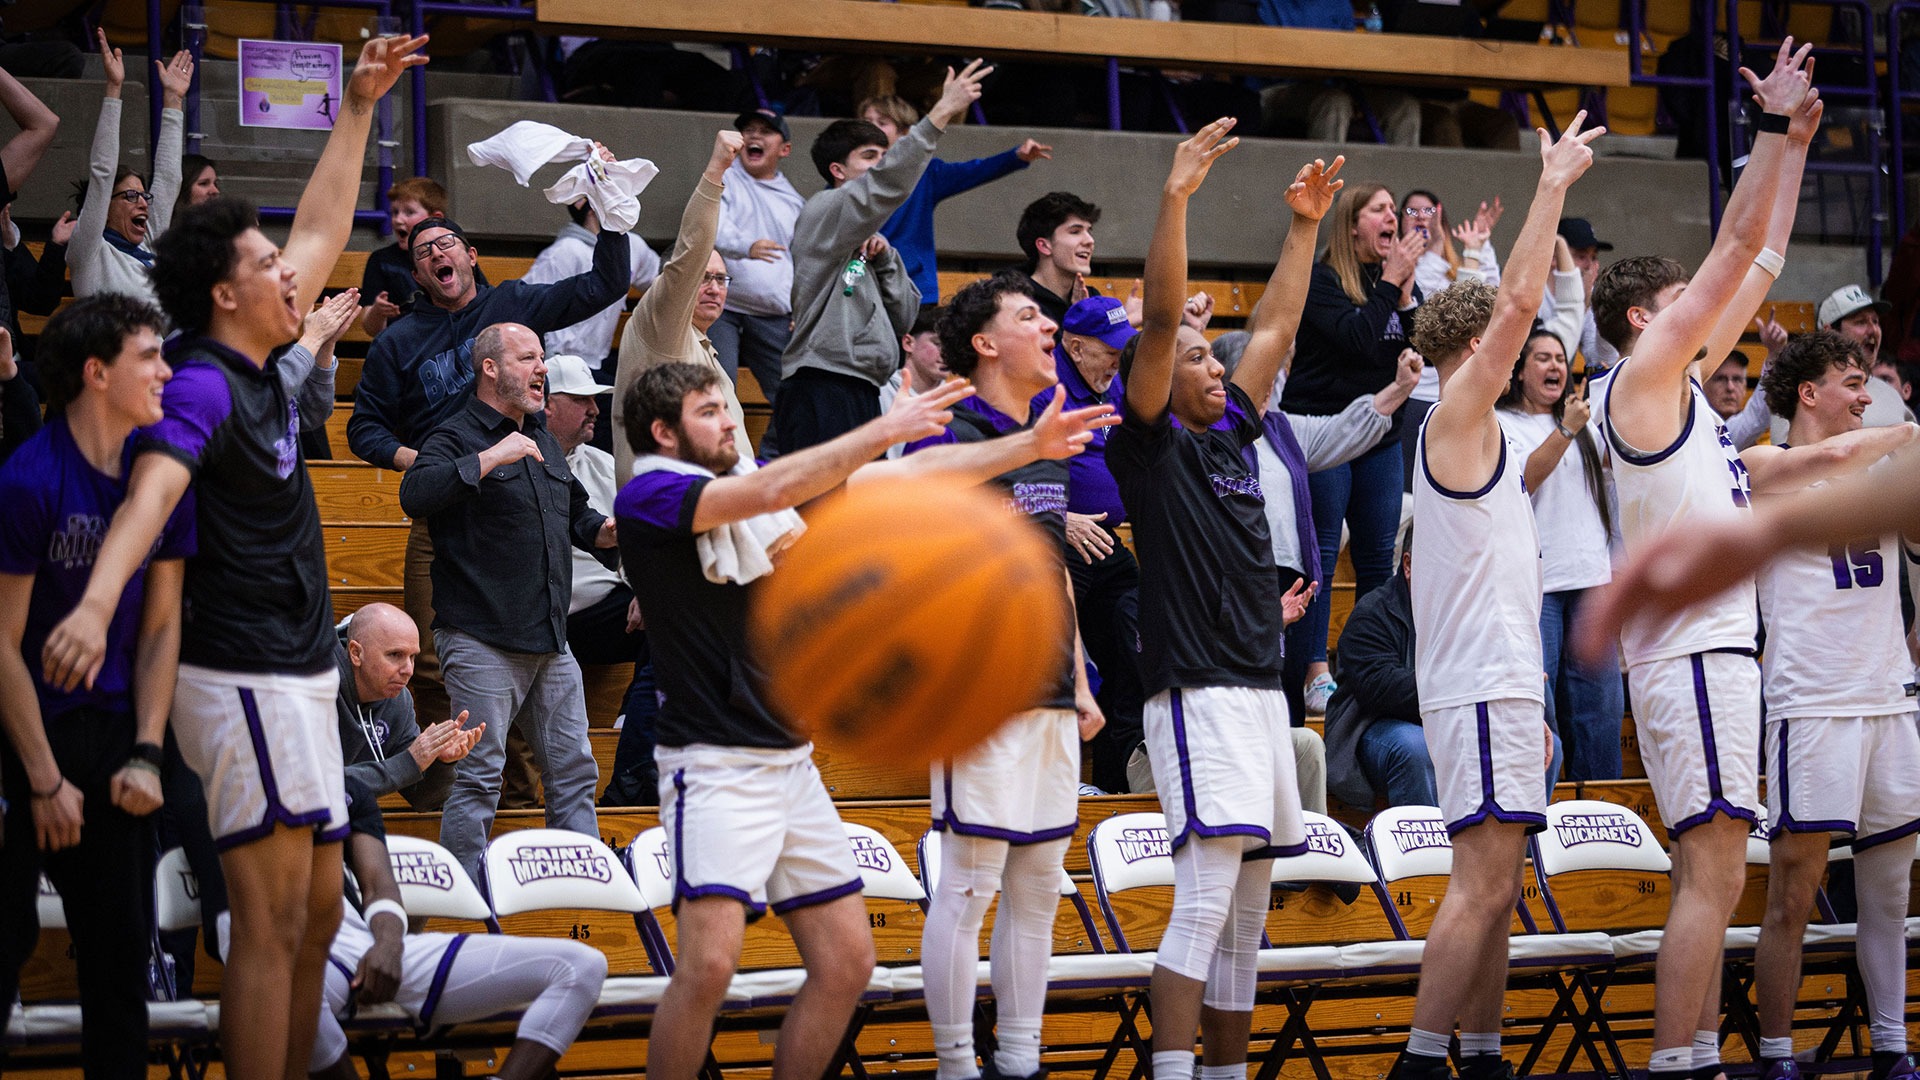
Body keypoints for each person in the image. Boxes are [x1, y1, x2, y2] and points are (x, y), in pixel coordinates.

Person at [36, 35, 428, 1080]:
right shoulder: (204, 382)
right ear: (222, 294)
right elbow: (155, 493)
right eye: (265, 267)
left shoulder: (267, 358)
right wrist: (95, 602)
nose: (292, 271)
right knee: (264, 927)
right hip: (240, 666)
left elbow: (322, 223)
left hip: (298, 664)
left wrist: (357, 109)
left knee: (308, 921)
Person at [616, 361, 1111, 1080]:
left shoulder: (762, 505)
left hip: (791, 761)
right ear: (664, 432)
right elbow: (776, 485)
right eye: (708, 411)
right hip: (714, 764)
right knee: (711, 966)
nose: (729, 420)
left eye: (729, 407)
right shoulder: (650, 494)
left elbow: (909, 477)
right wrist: (882, 429)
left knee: (848, 963)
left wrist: (1028, 446)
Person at [1587, 42, 1819, 1080]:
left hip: (1709, 654)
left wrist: (1797, 145)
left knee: (1718, 874)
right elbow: (1731, 253)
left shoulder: (1680, 395)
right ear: (1644, 318)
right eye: (1680, 303)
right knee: (1712, 873)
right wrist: (1765, 134)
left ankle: (1686, 1058)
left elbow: (1760, 260)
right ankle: (1681, 1062)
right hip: (1688, 654)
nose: (1703, 313)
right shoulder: (1640, 383)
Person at [1104, 118, 1334, 1080]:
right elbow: (1161, 321)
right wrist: (1176, 195)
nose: (1211, 363)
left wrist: (1304, 228)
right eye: (1198, 359)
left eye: (1212, 357)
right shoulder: (1149, 447)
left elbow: (1276, 330)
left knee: (1247, 918)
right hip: (1195, 692)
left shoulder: (1235, 437)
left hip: (1258, 689)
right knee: (1203, 903)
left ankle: (1228, 1074)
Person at [1395, 113, 1600, 1080]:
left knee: (1499, 885)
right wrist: (1550, 183)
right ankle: (1421, 1060)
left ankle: (1482, 1054)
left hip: (1504, 680)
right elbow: (1520, 297)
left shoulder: (1496, 442)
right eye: (1504, 340)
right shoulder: (1456, 418)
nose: (1522, 350)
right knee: (1479, 887)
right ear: (1479, 344)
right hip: (1479, 682)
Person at [901, 271, 1103, 1080]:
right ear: (985, 343)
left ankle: (1021, 1061)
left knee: (1040, 885)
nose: (1048, 327)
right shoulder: (944, 429)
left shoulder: (1042, 433)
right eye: (1030, 317)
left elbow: (1050, 565)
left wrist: (1082, 674)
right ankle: (956, 1066)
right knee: (968, 884)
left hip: (1050, 688)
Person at [349, 173, 632, 725]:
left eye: (445, 243)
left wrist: (608, 207)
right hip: (443, 509)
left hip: (520, 505)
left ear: (470, 254)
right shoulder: (397, 342)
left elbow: (607, 283)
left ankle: (519, 798)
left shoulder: (513, 303)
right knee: (427, 663)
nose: (435, 253)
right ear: (417, 274)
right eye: (423, 251)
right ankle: (449, 784)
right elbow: (364, 428)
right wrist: (419, 461)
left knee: (526, 651)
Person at [0, 294, 188, 1080]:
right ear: (95, 372)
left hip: (119, 739)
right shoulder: (28, 478)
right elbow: (1, 645)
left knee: (119, 983)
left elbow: (160, 628)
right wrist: (43, 780)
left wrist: (147, 751)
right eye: (150, 356)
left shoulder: (162, 474)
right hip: (24, 740)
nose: (167, 372)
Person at [1741, 333, 1920, 1080]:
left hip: (1888, 698)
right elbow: (1831, 461)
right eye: (1852, 383)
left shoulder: (1880, 468)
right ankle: (1777, 1056)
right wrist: (1903, 432)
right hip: (1812, 702)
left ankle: (1891, 1047)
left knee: (1889, 893)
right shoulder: (1760, 466)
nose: (1865, 396)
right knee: (1793, 892)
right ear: (1807, 394)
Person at [397, 322, 617, 885]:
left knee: (573, 770)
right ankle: (462, 899)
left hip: (549, 639)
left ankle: (583, 894)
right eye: (528, 357)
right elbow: (414, 494)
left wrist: (611, 531)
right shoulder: (454, 434)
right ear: (490, 368)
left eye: (542, 357)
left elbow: (577, 516)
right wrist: (491, 456)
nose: (541, 367)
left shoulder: (543, 439)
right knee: (478, 777)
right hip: (480, 639)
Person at [300, 778, 608, 1080]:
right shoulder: (253, 792)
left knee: (581, 966)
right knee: (293, 989)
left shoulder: (344, 788)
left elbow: (379, 885)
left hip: (365, 941)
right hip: (296, 954)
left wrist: (388, 944)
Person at [774, 60, 993, 455]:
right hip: (822, 384)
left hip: (862, 385)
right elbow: (886, 183)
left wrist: (887, 260)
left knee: (858, 505)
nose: (881, 163)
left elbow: (905, 315)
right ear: (838, 170)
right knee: (824, 508)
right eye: (871, 156)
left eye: (883, 155)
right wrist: (940, 113)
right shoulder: (824, 209)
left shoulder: (863, 240)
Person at [1281, 180, 1423, 714]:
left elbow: (1418, 344)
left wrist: (1406, 298)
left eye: (1396, 208)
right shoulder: (1321, 281)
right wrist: (1390, 285)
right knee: (1319, 553)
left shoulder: (1392, 282)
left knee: (1376, 555)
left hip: (1382, 437)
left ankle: (1370, 664)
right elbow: (1356, 339)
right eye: (1382, 209)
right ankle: (1316, 667)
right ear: (1353, 223)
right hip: (1323, 433)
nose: (1395, 217)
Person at [1496, 328, 1624, 781]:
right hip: (1541, 585)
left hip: (1592, 577)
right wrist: (1568, 428)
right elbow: (1523, 480)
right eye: (1543, 358)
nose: (1554, 367)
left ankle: (1607, 811)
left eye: (1559, 359)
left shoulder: (1584, 424)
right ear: (1519, 370)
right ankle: (1539, 813)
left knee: (1602, 709)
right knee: (1540, 705)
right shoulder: (1502, 424)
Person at [1032, 296, 1142, 792]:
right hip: (1052, 539)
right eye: (1110, 352)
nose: (1117, 363)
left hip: (1105, 541)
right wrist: (1062, 518)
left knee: (1136, 640)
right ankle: (1061, 782)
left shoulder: (1112, 381)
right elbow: (1008, 474)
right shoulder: (1043, 387)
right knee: (1057, 661)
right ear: (1074, 347)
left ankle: (1119, 784)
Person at [541, 353, 660, 806]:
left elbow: (637, 539)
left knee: (672, 612)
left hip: (611, 609)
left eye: (596, 401)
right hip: (553, 614)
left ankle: (633, 725)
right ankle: (633, 763)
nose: (594, 410)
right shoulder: (522, 456)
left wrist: (646, 591)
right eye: (581, 400)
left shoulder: (605, 463)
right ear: (547, 404)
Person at [611, 131, 759, 483]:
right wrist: (716, 171)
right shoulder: (661, 329)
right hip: (671, 517)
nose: (713, 288)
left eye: (721, 280)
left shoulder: (705, 346)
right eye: (703, 278)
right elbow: (691, 252)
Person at [861, 94, 1052, 305]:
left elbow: (974, 171)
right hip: (865, 284)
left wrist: (1016, 157)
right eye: (867, 122)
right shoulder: (849, 177)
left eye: (882, 123)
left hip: (914, 287)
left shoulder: (926, 174)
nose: (871, 128)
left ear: (905, 132)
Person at [68, 30, 193, 306]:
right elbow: (103, 172)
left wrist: (173, 100)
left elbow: (169, 179)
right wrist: (114, 88)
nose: (143, 204)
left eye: (143, 195)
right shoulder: (90, 251)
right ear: (105, 208)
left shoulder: (149, 246)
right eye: (130, 196)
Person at [334, 602, 481, 813]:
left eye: (413, 657)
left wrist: (441, 763)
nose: (409, 670)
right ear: (356, 653)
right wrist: (410, 761)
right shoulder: (315, 685)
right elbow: (316, 788)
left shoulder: (398, 700)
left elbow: (423, 799)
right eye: (395, 655)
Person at [1324, 526, 1429, 808]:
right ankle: (1426, 851)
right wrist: (1457, 686)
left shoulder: (1464, 610)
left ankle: (1513, 850)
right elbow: (1381, 689)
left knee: (1532, 744)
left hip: (1448, 725)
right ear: (1408, 565)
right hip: (1369, 730)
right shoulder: (1373, 612)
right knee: (1415, 747)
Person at [711, 108, 803, 411]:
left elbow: (803, 259)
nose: (754, 135)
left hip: (773, 313)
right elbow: (711, 228)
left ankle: (773, 455)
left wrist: (800, 307)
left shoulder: (793, 201)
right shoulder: (722, 176)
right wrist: (747, 246)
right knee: (718, 391)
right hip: (722, 306)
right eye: (748, 130)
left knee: (794, 390)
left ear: (784, 149)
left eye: (765, 131)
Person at [357, 177, 473, 338]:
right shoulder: (382, 261)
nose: (398, 220)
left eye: (409, 212)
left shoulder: (456, 255)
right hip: (406, 345)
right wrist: (378, 311)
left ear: (435, 218)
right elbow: (371, 329)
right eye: (394, 212)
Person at [1812, 284, 1916, 429]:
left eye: (1875, 321)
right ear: (1829, 333)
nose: (1873, 330)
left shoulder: (1890, 395)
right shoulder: (1809, 392)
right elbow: (1789, 449)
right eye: (1860, 322)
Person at [1539, 217, 1618, 374]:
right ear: (1554, 256)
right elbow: (1547, 354)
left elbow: (1601, 360)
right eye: (1581, 256)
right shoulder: (1534, 294)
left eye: (1594, 257)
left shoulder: (1591, 294)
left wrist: (1598, 306)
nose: (1590, 265)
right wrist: (1580, 305)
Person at [1015, 191, 1102, 326]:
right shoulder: (1016, 301)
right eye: (1075, 232)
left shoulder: (1090, 297)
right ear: (1044, 245)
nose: (1090, 240)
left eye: (1089, 231)